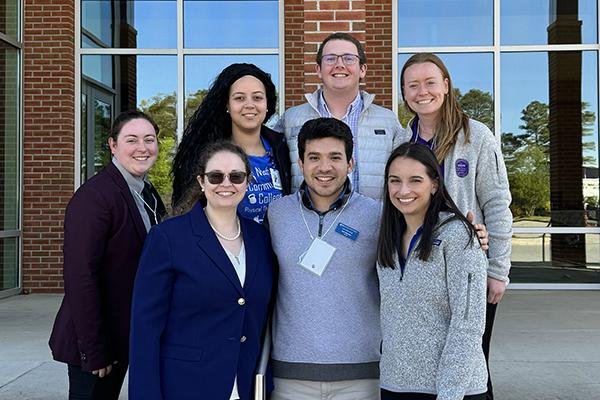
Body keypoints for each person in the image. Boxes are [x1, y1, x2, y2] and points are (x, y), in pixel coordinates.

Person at [399, 52, 513, 399]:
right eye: (413, 85)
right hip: (422, 271)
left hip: (467, 269)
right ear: (404, 92)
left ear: (446, 86)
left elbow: (496, 203)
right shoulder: (404, 140)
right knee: (430, 360)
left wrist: (498, 269)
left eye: (430, 83)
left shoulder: (475, 136)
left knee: (471, 365)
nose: (422, 92)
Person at [129, 141, 275, 400]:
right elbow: (145, 330)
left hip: (246, 385)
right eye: (216, 176)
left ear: (247, 181)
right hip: (186, 385)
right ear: (201, 181)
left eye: (236, 176)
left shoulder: (260, 238)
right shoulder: (168, 237)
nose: (226, 183)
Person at [48, 110, 166, 400]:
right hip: (95, 343)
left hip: (124, 334)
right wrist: (94, 349)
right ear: (113, 145)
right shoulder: (95, 196)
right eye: (132, 140)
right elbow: (80, 276)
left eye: (149, 139)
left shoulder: (145, 191)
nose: (142, 148)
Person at [267, 117, 382, 399]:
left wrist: (468, 231)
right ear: (301, 163)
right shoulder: (276, 214)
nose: (324, 167)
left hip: (361, 375)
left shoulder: (377, 215)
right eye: (314, 157)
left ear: (350, 164)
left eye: (335, 157)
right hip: (289, 375)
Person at [377, 142, 488, 400]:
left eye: (415, 180)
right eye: (395, 181)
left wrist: (449, 394)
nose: (403, 190)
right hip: (396, 386)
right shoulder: (386, 240)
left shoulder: (458, 236)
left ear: (434, 184)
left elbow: (469, 324)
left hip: (454, 391)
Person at [275, 32, 403, 200]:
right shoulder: (290, 120)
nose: (339, 64)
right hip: (307, 223)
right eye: (330, 58)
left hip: (374, 223)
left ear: (362, 69)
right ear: (318, 70)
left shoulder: (388, 121)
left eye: (349, 58)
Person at [171, 63, 291, 222]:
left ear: (267, 104)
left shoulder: (283, 147)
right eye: (239, 98)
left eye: (257, 97)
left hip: (278, 246)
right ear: (227, 105)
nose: (249, 105)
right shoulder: (209, 154)